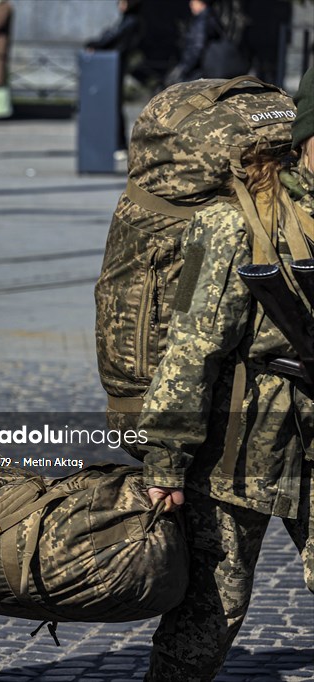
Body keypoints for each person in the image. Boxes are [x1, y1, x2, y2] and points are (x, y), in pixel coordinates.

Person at [139, 67, 314, 682]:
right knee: (211, 610)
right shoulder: (234, 226)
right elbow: (191, 352)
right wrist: (165, 463)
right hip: (241, 446)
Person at [85, 0, 144, 156]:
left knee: (114, 105)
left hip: (115, 66)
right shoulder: (127, 20)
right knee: (113, 105)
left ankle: (119, 144)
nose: (120, 5)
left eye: (124, 2)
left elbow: (114, 38)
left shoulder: (131, 21)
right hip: (113, 65)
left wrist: (95, 44)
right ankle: (117, 143)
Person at [165, 0, 222, 85]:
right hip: (207, 67)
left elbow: (197, 47)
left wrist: (184, 68)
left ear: (202, 3)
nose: (191, 4)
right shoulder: (211, 17)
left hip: (200, 70)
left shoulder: (202, 21)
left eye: (194, 1)